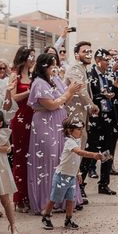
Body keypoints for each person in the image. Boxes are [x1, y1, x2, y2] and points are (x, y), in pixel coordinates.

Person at [27, 53, 82, 215]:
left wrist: (73, 90)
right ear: (43, 66)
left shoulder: (56, 80)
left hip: (59, 123)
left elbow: (65, 100)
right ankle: (47, 202)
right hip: (44, 124)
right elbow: (51, 105)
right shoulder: (38, 83)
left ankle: (65, 200)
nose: (54, 68)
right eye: (51, 65)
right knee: (48, 159)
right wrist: (68, 92)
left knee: (62, 157)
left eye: (55, 65)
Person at [41, 117, 105, 230]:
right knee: (54, 198)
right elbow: (79, 152)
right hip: (62, 176)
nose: (81, 131)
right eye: (78, 129)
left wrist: (78, 173)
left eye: (82, 128)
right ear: (70, 131)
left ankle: (68, 219)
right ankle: (46, 215)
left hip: (71, 176)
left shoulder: (77, 140)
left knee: (71, 199)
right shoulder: (70, 142)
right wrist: (94, 155)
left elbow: (75, 160)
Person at [63, 41, 98, 202]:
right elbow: (81, 90)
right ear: (77, 54)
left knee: (77, 159)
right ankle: (70, 196)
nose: (88, 54)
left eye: (90, 51)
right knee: (74, 157)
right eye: (85, 51)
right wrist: (92, 106)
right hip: (74, 119)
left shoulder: (84, 69)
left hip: (81, 118)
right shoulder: (75, 69)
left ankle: (74, 195)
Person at [84, 49, 118, 195]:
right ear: (98, 60)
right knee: (90, 150)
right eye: (106, 60)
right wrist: (102, 96)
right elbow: (88, 94)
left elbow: (116, 92)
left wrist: (116, 89)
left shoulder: (109, 75)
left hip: (110, 117)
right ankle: (81, 186)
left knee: (108, 151)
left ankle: (104, 184)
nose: (109, 63)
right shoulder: (89, 75)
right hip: (95, 118)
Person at [10, 46, 35, 213]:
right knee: (20, 157)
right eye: (30, 56)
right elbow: (13, 97)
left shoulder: (34, 76)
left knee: (31, 157)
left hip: (33, 118)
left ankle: (29, 196)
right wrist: (29, 92)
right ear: (24, 57)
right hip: (19, 118)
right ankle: (19, 198)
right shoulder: (15, 75)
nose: (33, 59)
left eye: (34, 56)